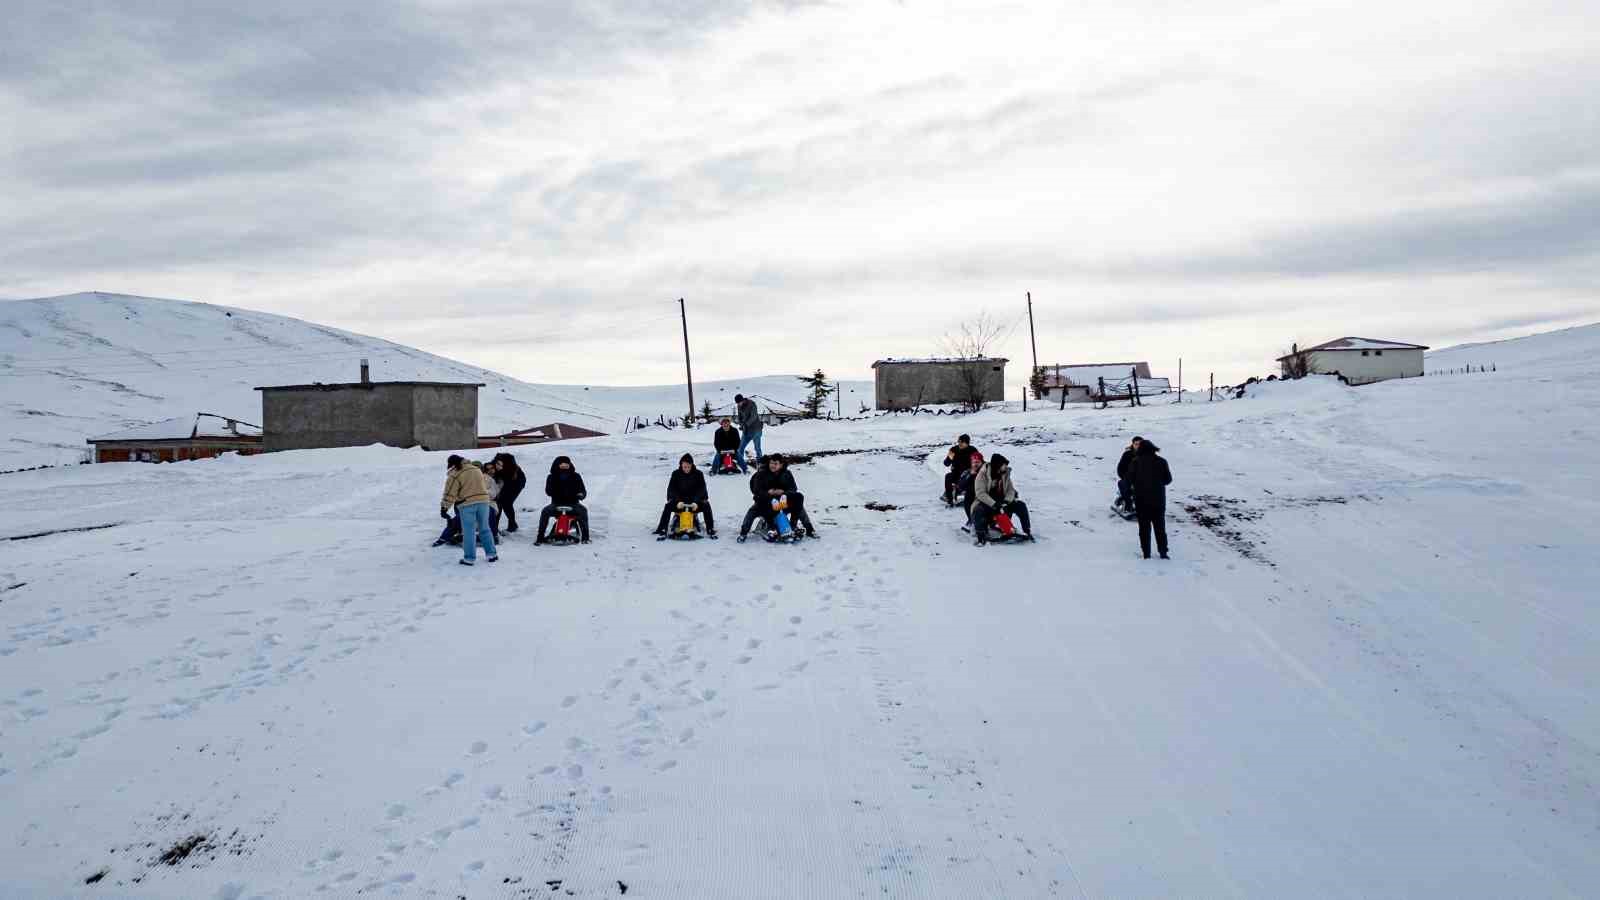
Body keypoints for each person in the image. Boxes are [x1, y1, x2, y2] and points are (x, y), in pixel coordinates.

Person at [737, 453, 817, 542]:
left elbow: (793, 488)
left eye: (775, 464)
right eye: (771, 463)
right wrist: (769, 493)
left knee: (799, 502)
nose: (772, 466)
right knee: (752, 512)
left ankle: (804, 528)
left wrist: (783, 493)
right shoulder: (761, 474)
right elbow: (757, 491)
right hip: (766, 503)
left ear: (781, 465)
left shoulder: (786, 473)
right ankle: (744, 533)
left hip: (783, 501)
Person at [441, 454, 498, 565]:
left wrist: (444, 508)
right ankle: (492, 554)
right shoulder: (476, 469)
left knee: (468, 532)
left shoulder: (455, 474)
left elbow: (450, 493)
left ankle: (469, 558)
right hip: (484, 503)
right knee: (485, 529)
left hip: (467, 504)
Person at [970, 453, 1035, 545]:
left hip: (1002, 501)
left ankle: (1027, 531)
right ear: (997, 465)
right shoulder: (982, 474)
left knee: (1020, 505)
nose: (1005, 467)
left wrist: (1006, 501)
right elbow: (980, 493)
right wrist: (994, 504)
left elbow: (1010, 490)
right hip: (986, 502)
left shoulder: (1005, 474)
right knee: (978, 510)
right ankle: (981, 536)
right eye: (1004, 465)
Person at [655, 453, 717, 538]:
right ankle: (662, 529)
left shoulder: (698, 474)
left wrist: (695, 502)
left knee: (706, 505)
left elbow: (702, 490)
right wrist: (677, 501)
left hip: (694, 504)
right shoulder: (675, 474)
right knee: (668, 506)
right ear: (681, 465)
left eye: (688, 467)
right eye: (684, 467)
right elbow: (671, 490)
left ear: (692, 465)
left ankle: (710, 529)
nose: (686, 469)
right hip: (679, 503)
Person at [1130, 440, 1172, 559]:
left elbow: (1130, 479)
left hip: (1141, 500)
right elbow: (1168, 480)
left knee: (1144, 528)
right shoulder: (1162, 461)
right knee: (1160, 527)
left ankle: (1146, 554)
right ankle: (1163, 552)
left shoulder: (1136, 462)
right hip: (1158, 500)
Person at [536, 455, 590, 544]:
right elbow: (548, 491)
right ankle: (540, 537)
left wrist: (581, 494)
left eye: (566, 464)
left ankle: (585, 537)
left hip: (573, 503)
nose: (564, 465)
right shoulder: (551, 477)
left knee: (583, 511)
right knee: (545, 511)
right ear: (557, 465)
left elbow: (582, 489)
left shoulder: (576, 476)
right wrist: (556, 491)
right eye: (562, 464)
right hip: (556, 504)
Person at [491, 452, 527, 532]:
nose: (498, 466)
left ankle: (512, 525)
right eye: (497, 464)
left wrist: (501, 494)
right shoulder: (493, 466)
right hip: (503, 483)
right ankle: (495, 527)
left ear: (506, 464)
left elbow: (510, 485)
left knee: (506, 503)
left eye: (501, 465)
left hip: (516, 484)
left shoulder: (513, 471)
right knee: (499, 503)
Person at [942, 434, 981, 504]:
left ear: (967, 443)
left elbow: (978, 462)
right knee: (948, 476)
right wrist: (949, 458)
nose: (959, 443)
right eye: (958, 441)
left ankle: (966, 495)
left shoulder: (972, 450)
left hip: (968, 473)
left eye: (961, 442)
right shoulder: (954, 450)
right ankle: (949, 499)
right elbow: (946, 463)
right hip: (956, 473)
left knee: (970, 475)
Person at [734, 394, 763, 472]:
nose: (738, 404)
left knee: (757, 448)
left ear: (743, 400)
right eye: (737, 403)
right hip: (746, 431)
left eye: (739, 402)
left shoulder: (752, 404)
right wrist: (741, 424)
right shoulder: (739, 406)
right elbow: (739, 416)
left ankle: (760, 464)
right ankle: (741, 463)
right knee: (741, 447)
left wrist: (746, 424)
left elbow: (753, 416)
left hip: (756, 429)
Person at [957, 450, 985, 531]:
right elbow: (960, 485)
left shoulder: (986, 470)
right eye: (973, 462)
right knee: (968, 497)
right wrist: (970, 475)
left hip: (985, 494)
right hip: (972, 495)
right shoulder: (968, 471)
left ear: (981, 462)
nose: (975, 464)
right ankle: (971, 520)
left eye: (978, 462)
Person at [1115, 436, 1143, 513]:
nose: (1138, 446)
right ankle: (1128, 504)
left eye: (1140, 444)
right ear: (1133, 444)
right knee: (1122, 484)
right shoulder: (1127, 454)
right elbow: (1120, 469)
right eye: (1136, 444)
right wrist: (1126, 478)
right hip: (1128, 478)